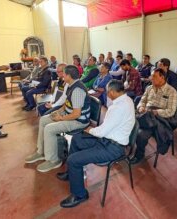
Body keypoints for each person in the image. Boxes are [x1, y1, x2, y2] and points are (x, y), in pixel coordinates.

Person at [56, 79, 135, 208]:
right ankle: (72, 173)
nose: (107, 94)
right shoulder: (127, 100)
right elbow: (106, 128)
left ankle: (80, 195)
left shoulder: (118, 107)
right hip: (108, 140)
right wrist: (92, 131)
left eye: (107, 92)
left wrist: (89, 130)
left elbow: (101, 131)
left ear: (112, 92)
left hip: (112, 148)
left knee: (73, 160)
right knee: (77, 139)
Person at [25, 65, 91, 172]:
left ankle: (53, 160)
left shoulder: (77, 89)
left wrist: (61, 118)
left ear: (69, 76)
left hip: (78, 121)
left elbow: (76, 114)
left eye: (64, 74)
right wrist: (58, 111)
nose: (62, 76)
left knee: (49, 129)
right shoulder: (70, 85)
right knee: (44, 120)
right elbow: (67, 103)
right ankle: (41, 151)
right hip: (69, 115)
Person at [131, 68, 177, 164]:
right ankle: (127, 142)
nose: (151, 78)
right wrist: (140, 107)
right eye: (151, 76)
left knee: (141, 134)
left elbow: (171, 111)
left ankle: (139, 154)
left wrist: (155, 112)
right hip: (146, 114)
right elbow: (142, 100)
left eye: (154, 76)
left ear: (162, 77)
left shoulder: (171, 91)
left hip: (160, 118)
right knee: (129, 122)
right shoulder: (149, 88)